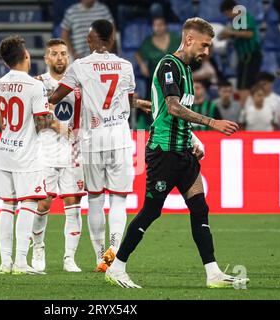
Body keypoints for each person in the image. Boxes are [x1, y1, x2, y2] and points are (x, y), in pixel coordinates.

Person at [105, 17, 249, 289]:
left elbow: (168, 107)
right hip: (164, 152)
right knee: (151, 211)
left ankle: (213, 272)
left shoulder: (186, 70)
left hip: (184, 151)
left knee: (199, 208)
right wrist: (211, 123)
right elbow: (173, 107)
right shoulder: (169, 65)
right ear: (189, 39)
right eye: (205, 45)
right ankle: (117, 267)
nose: (207, 52)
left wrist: (192, 137)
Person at [49, 19, 150, 273]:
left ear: (92, 40)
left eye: (88, 38)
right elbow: (127, 100)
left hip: (92, 138)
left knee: (95, 198)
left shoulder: (80, 66)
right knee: (118, 199)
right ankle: (113, 255)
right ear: (112, 39)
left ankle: (98, 257)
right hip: (120, 137)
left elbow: (55, 97)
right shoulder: (126, 66)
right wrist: (139, 104)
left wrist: (45, 101)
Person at [0, 35, 60, 275]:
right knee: (29, 202)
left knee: (7, 205)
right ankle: (21, 262)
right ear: (25, 56)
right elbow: (42, 123)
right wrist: (51, 115)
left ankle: (5, 262)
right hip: (27, 153)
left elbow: (2, 122)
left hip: (4, 150)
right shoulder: (34, 85)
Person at [30, 38, 87, 273]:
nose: (60, 58)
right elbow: (34, 119)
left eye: (63, 53)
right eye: (54, 54)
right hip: (44, 151)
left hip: (73, 151)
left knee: (73, 203)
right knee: (43, 203)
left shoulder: (79, 84)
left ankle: (69, 258)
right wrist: (58, 127)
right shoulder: (37, 84)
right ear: (46, 58)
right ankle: (38, 248)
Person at [135, 16, 181, 129]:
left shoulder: (175, 39)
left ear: (165, 26)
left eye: (160, 25)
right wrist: (142, 64)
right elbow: (137, 54)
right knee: (150, 104)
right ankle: (149, 126)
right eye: (155, 25)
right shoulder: (148, 42)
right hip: (154, 80)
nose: (158, 28)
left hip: (175, 79)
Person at [219, 0, 262, 107]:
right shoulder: (235, 21)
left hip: (250, 55)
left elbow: (249, 34)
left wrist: (230, 32)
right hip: (243, 56)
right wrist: (225, 35)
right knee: (245, 84)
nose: (227, 16)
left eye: (227, 13)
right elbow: (236, 34)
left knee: (244, 86)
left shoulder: (244, 17)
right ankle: (248, 108)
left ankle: (244, 111)